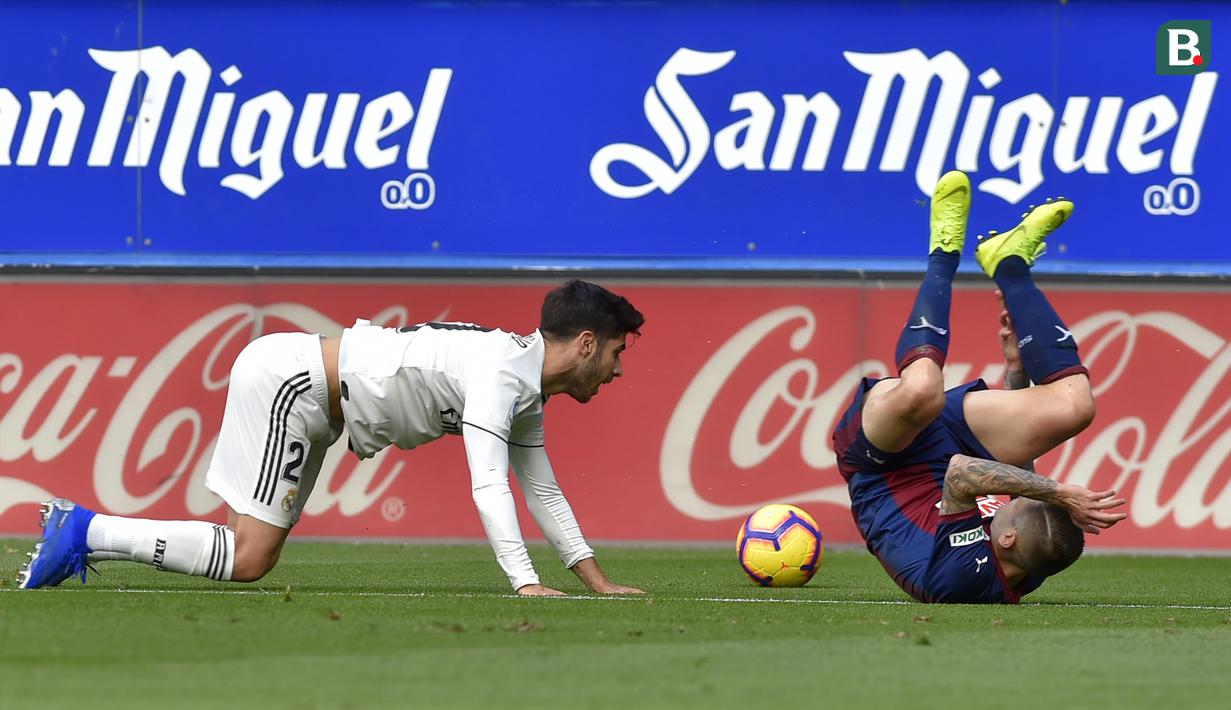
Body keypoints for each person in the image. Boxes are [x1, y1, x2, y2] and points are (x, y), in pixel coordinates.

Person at [19, 279, 646, 597]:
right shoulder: (499, 372)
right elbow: (488, 485)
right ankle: (83, 530)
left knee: (245, 554)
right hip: (293, 385)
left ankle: (82, 532)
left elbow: (541, 488)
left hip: (313, 396)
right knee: (248, 558)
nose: (618, 371)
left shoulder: (522, 381)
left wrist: (592, 578)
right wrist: (524, 581)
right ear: (585, 343)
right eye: (616, 353)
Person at [831, 170, 1127, 604]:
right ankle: (1010, 263)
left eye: (1016, 501)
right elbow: (1018, 476)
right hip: (951, 450)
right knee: (1074, 408)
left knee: (921, 394)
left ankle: (943, 251)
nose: (1018, 492)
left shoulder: (961, 581)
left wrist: (1060, 492)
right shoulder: (1031, 557)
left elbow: (962, 474)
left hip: (881, 462)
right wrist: (1016, 375)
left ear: (1004, 540)